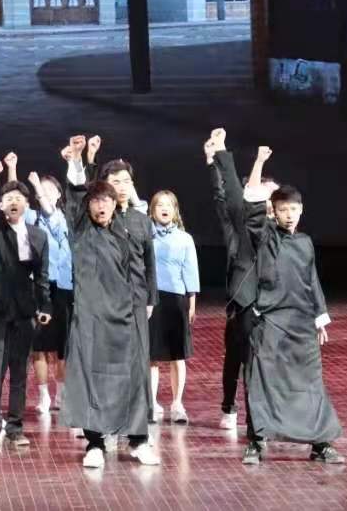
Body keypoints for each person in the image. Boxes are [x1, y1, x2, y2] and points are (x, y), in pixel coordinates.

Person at [241, 150, 345, 466]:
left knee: (309, 383)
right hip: (271, 320)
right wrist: (259, 163)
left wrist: (320, 319)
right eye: (283, 210)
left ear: (301, 210)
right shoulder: (266, 237)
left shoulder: (305, 242)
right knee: (263, 380)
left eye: (294, 209)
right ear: (274, 212)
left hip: (301, 324)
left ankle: (320, 443)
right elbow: (251, 203)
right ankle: (257, 441)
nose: (289, 215)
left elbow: (312, 281)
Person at [61, 137, 159, 467]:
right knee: (92, 373)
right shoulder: (82, 226)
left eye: (123, 183)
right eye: (100, 196)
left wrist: (149, 300)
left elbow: (148, 265)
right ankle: (95, 443)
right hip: (91, 314)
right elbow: (77, 192)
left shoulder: (135, 221)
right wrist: (77, 159)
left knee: (134, 373)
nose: (104, 203)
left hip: (129, 311)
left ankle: (138, 440)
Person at [0, 155, 51, 448]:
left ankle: (16, 427)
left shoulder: (38, 235)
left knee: (20, 370)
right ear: (2, 204)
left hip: (24, 308)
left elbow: (42, 275)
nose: (14, 202)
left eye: (19, 198)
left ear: (27, 204)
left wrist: (45, 306)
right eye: (8, 198)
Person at [205, 127, 270, 431]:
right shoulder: (241, 228)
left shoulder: (281, 232)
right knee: (237, 356)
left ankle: (262, 413)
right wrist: (215, 159)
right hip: (243, 300)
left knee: (261, 360)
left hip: (270, 304)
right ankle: (231, 407)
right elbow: (226, 195)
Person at [147, 190, 199, 426]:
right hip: (151, 300)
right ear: (152, 210)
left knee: (177, 355)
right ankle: (152, 403)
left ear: (175, 210)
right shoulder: (146, 235)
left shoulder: (184, 238)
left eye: (169, 205)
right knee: (152, 356)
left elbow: (190, 270)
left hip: (177, 299)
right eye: (160, 205)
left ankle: (177, 404)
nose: (164, 208)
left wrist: (191, 302)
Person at [26, 172, 71, 415]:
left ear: (59, 194)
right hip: (38, 286)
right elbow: (14, 201)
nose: (44, 194)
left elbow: (51, 216)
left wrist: (37, 186)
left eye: (49, 190)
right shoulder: (32, 218)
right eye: (40, 191)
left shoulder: (63, 219)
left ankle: (61, 393)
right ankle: (44, 395)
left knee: (62, 346)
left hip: (62, 287)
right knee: (40, 345)